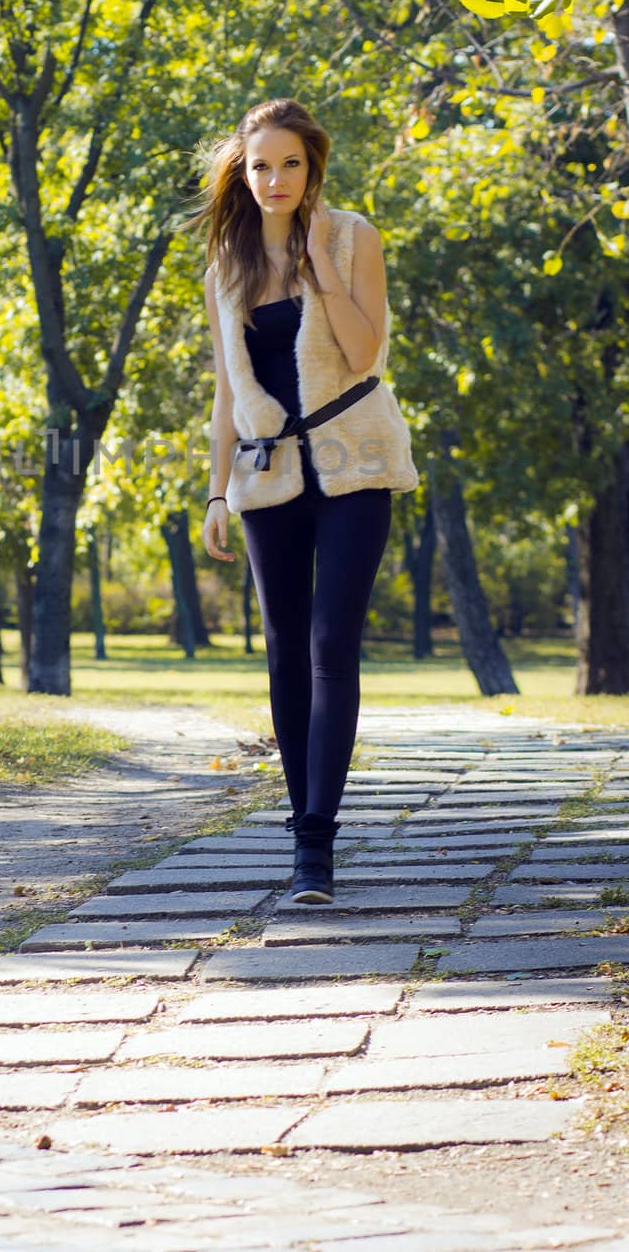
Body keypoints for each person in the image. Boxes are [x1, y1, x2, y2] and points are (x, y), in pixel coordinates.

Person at [191, 98, 418, 903]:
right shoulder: (228, 263)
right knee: (285, 651)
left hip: (357, 463)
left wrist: (319, 264)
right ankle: (300, 830)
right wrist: (216, 491)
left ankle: (315, 848)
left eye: (288, 163)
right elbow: (226, 390)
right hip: (266, 476)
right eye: (259, 165)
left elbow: (363, 355)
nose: (273, 179)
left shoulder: (354, 238)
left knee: (330, 643)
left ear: (311, 164)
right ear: (241, 172)